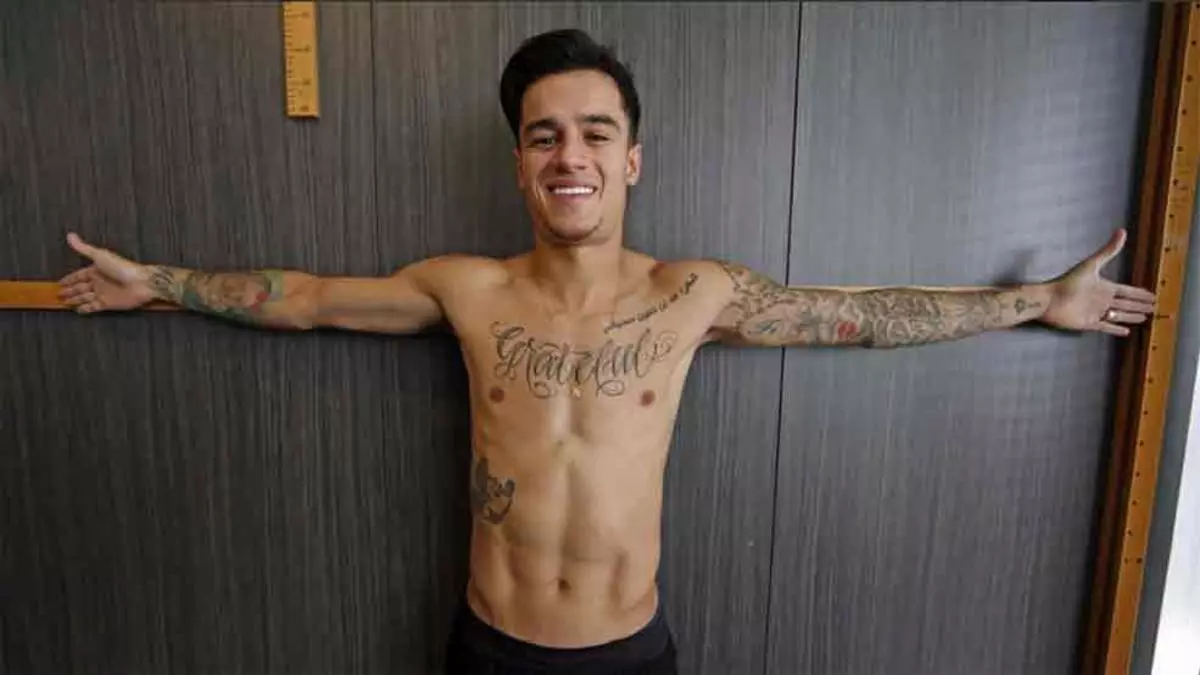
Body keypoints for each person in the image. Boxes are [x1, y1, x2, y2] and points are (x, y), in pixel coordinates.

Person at [56, 28, 1155, 675]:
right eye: (543, 136)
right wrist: (158, 280)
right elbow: (300, 299)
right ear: (519, 164)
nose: (568, 155)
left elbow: (861, 315)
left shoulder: (692, 294)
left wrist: (1036, 302)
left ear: (631, 160)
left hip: (629, 655)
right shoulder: (466, 290)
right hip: (490, 648)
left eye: (595, 132)